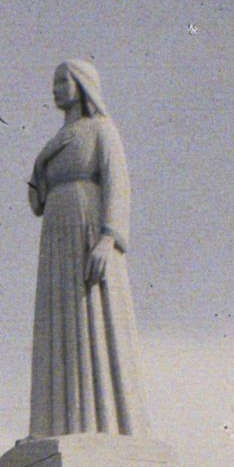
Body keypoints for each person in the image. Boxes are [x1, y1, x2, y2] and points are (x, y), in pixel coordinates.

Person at [25, 60, 150, 438]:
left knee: (91, 318)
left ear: (81, 85)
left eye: (63, 81)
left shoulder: (101, 130)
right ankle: (53, 423)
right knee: (58, 324)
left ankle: (102, 422)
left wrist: (108, 238)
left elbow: (118, 183)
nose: (56, 88)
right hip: (57, 235)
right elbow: (36, 199)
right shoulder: (57, 141)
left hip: (88, 230)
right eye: (54, 81)